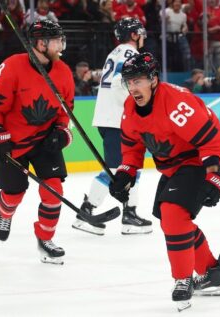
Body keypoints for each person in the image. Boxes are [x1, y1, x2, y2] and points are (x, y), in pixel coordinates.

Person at [109, 52, 220, 311]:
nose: (133, 88)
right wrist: (125, 173)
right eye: (129, 82)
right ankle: (213, 272)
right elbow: (132, 148)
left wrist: (214, 177)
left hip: (195, 162)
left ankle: (182, 280)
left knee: (173, 214)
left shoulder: (176, 103)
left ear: (153, 80)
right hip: (173, 169)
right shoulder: (130, 110)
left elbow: (212, 141)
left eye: (138, 81)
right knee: (172, 221)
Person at [0, 20, 74, 264]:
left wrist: (61, 131)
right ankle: (5, 213)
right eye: (55, 40)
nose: (60, 44)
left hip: (45, 141)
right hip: (15, 143)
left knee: (54, 191)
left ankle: (45, 239)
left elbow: (66, 110)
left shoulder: (64, 71)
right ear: (41, 44)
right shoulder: (13, 67)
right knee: (13, 194)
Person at [72, 17, 152, 236]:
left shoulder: (116, 52)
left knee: (131, 166)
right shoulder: (131, 54)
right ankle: (85, 213)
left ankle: (130, 214)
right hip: (118, 120)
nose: (143, 36)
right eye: (140, 33)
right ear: (134, 35)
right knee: (117, 169)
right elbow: (120, 81)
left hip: (114, 118)